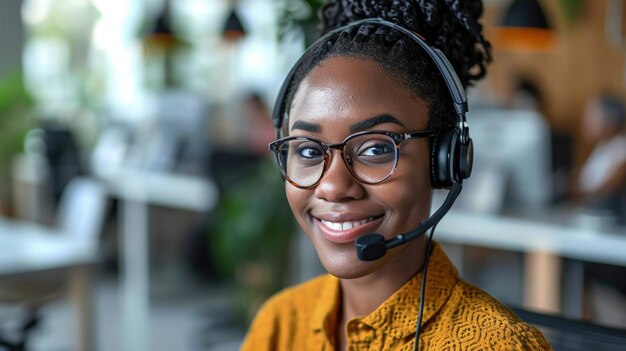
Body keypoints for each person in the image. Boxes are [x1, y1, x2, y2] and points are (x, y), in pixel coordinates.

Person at [242, 1, 551, 350]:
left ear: (443, 160)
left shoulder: (498, 346)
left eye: (376, 149)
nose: (332, 186)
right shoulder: (281, 323)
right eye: (310, 151)